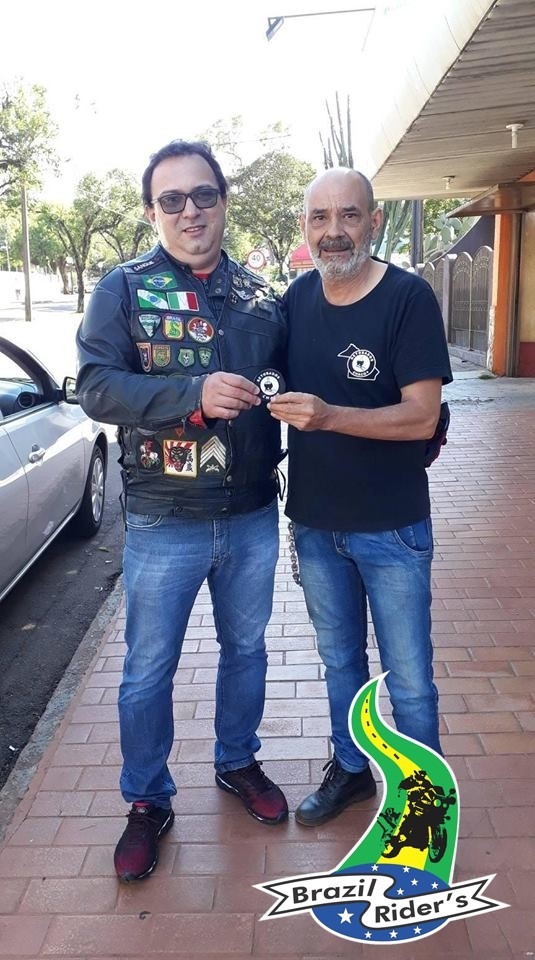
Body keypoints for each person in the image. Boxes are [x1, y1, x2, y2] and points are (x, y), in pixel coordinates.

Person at [76, 139, 288, 883]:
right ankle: (146, 800)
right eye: (171, 200)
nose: (189, 211)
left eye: (203, 195)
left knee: (248, 650)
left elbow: (296, 379)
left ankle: (237, 760)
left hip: (253, 514)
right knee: (147, 670)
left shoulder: (263, 295)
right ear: (152, 212)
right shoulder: (124, 288)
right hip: (165, 517)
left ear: (223, 201)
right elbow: (96, 387)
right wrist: (190, 396)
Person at [269, 167, 452, 827]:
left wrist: (328, 417)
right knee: (340, 662)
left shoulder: (408, 298)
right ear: (304, 226)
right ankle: (350, 770)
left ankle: (424, 801)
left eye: (348, 215)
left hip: (391, 525)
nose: (334, 231)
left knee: (409, 678)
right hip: (316, 524)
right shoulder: (294, 299)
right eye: (319, 217)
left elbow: (421, 417)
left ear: (373, 222)